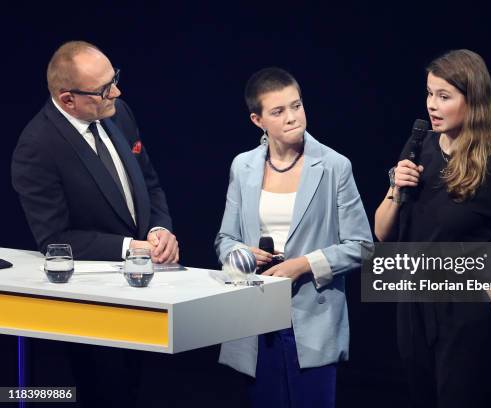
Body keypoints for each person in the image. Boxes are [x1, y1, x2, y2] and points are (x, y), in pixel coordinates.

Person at [374, 49, 491, 407]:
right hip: (413, 303)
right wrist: (396, 188)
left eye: (444, 96)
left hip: (464, 308)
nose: (432, 105)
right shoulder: (418, 148)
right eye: (429, 93)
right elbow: (382, 233)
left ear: (472, 100)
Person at [215, 67, 372, 407]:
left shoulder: (333, 166)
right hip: (256, 315)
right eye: (278, 111)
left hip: (312, 316)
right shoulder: (243, 166)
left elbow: (361, 246)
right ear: (258, 120)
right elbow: (225, 239)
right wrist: (242, 254)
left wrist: (302, 265)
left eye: (296, 106)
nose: (291, 117)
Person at [12, 40, 178, 263]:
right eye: (104, 90)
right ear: (68, 99)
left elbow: (150, 185)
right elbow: (55, 239)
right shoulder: (37, 147)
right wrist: (131, 248)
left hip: (150, 269)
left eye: (114, 80)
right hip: (98, 283)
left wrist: (160, 230)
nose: (117, 92)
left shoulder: (120, 113)